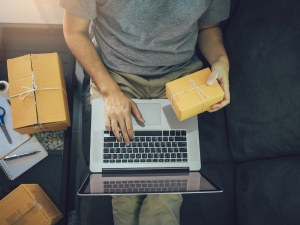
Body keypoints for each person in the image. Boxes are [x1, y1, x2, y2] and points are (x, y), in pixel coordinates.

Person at [60, 0, 231, 224]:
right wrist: (110, 92)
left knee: (168, 189)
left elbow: (208, 26)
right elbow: (74, 31)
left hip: (178, 79)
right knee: (125, 187)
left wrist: (221, 61)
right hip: (116, 77)